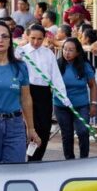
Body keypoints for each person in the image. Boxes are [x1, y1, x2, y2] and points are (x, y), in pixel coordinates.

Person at [0, 21, 40, 163]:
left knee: (15, 170)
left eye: (5, 36)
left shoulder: (20, 66)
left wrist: (31, 128)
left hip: (15, 126)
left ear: (10, 41)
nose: (0, 40)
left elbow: (26, 99)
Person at [17, 24, 68, 162]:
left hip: (44, 93)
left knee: (44, 128)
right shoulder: (20, 52)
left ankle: (36, 159)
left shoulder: (48, 53)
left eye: (39, 39)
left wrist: (63, 95)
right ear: (27, 36)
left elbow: (55, 76)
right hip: (26, 91)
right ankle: (23, 157)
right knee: (27, 125)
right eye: (33, 38)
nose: (35, 42)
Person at [54, 38, 97, 159]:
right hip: (61, 106)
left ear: (78, 52)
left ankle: (84, 158)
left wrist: (93, 104)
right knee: (66, 135)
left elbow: (93, 85)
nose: (67, 53)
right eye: (65, 49)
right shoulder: (56, 64)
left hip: (81, 105)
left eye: (71, 50)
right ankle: (70, 160)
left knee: (83, 131)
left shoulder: (85, 66)